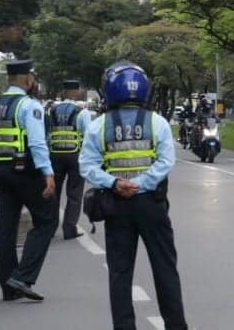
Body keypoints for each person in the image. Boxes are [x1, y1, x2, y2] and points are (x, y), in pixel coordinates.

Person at [79, 61, 188, 330]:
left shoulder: (99, 125)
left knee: (120, 272)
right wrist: (141, 183)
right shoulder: (158, 122)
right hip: (152, 204)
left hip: (116, 205)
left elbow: (87, 166)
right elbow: (166, 161)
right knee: (165, 268)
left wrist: (115, 183)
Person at [0, 59, 58, 301]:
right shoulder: (29, 105)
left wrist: (2, 155)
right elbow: (37, 142)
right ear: (28, 79)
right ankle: (22, 277)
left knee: (6, 229)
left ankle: (9, 288)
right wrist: (48, 173)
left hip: (0, 172)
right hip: (26, 172)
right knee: (46, 221)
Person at [47, 80, 93, 239]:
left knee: (54, 192)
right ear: (77, 92)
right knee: (74, 193)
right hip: (75, 156)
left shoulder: (51, 111)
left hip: (54, 156)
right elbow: (89, 136)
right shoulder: (82, 112)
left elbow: (46, 134)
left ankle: (50, 228)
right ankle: (69, 228)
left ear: (64, 92)